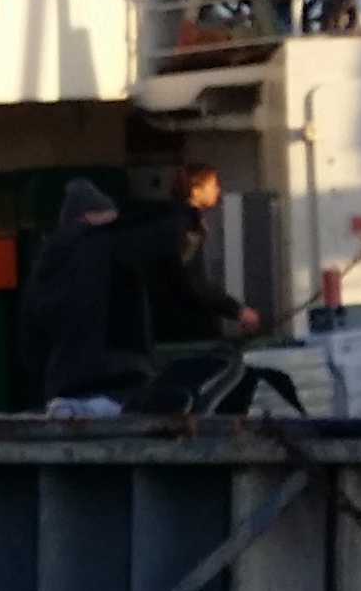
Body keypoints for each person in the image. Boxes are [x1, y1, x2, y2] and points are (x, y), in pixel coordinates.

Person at [14, 180, 148, 411]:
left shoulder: (44, 264)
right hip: (121, 384)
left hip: (63, 389)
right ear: (91, 217)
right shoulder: (117, 251)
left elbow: (29, 343)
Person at [124, 164, 262, 345]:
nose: (218, 190)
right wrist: (236, 310)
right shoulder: (186, 226)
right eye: (213, 185)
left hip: (159, 322)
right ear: (195, 191)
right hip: (188, 324)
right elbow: (190, 280)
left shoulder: (160, 220)